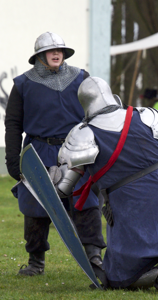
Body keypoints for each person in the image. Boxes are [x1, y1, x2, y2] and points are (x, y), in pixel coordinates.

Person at [50, 77, 158, 296]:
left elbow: (62, 189)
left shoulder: (82, 134)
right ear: (111, 94)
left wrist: (47, 177)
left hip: (132, 202)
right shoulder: (145, 115)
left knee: (116, 278)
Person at [4, 32, 106, 277]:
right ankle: (35, 262)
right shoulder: (22, 84)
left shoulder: (81, 78)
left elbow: (97, 114)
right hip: (39, 152)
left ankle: (94, 258)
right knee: (35, 209)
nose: (56, 53)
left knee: (86, 204)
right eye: (51, 51)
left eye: (60, 50)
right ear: (39, 56)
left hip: (77, 150)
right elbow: (14, 125)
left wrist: (101, 150)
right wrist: (12, 159)